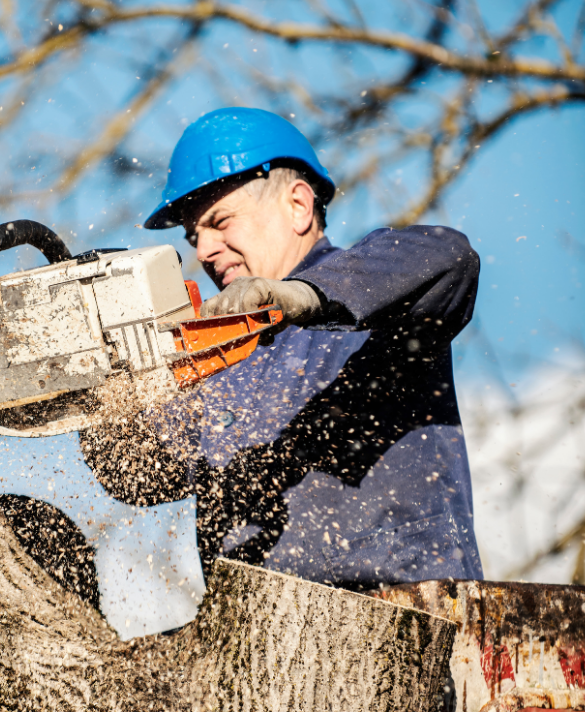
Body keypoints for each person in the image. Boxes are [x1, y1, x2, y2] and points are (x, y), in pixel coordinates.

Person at [80, 107, 484, 590]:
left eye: (219, 221)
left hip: (407, 616)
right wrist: (101, 398)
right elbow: (139, 477)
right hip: (252, 645)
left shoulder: (380, 299)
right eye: (194, 236)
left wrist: (301, 296)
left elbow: (450, 257)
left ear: (298, 205)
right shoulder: (218, 353)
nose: (204, 249)